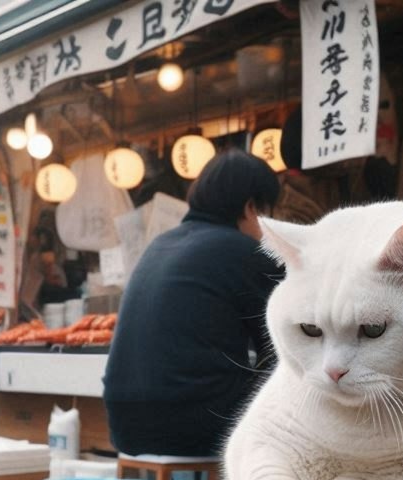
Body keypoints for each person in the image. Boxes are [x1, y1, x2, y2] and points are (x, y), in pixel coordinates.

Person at [103, 148, 281, 457]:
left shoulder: (160, 244)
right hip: (190, 423)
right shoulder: (243, 250)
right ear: (251, 208)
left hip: (123, 423)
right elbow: (283, 344)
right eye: (271, 214)